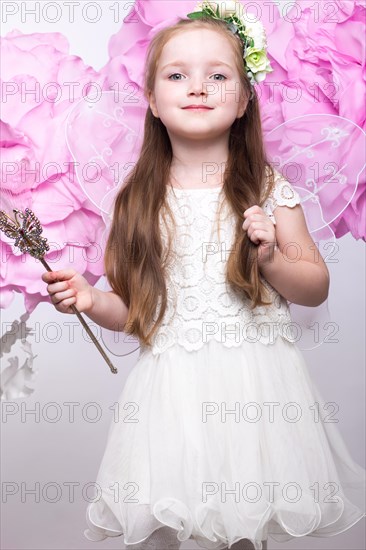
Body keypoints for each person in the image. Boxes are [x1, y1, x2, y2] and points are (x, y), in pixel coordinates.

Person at [42, 11, 365, 550]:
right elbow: (135, 313)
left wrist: (270, 261)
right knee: (170, 526)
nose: (197, 87)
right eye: (176, 76)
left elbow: (315, 285)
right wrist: (91, 298)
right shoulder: (138, 200)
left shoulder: (265, 185)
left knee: (242, 527)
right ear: (150, 99)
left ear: (243, 101)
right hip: (172, 392)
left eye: (217, 76)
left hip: (256, 389)